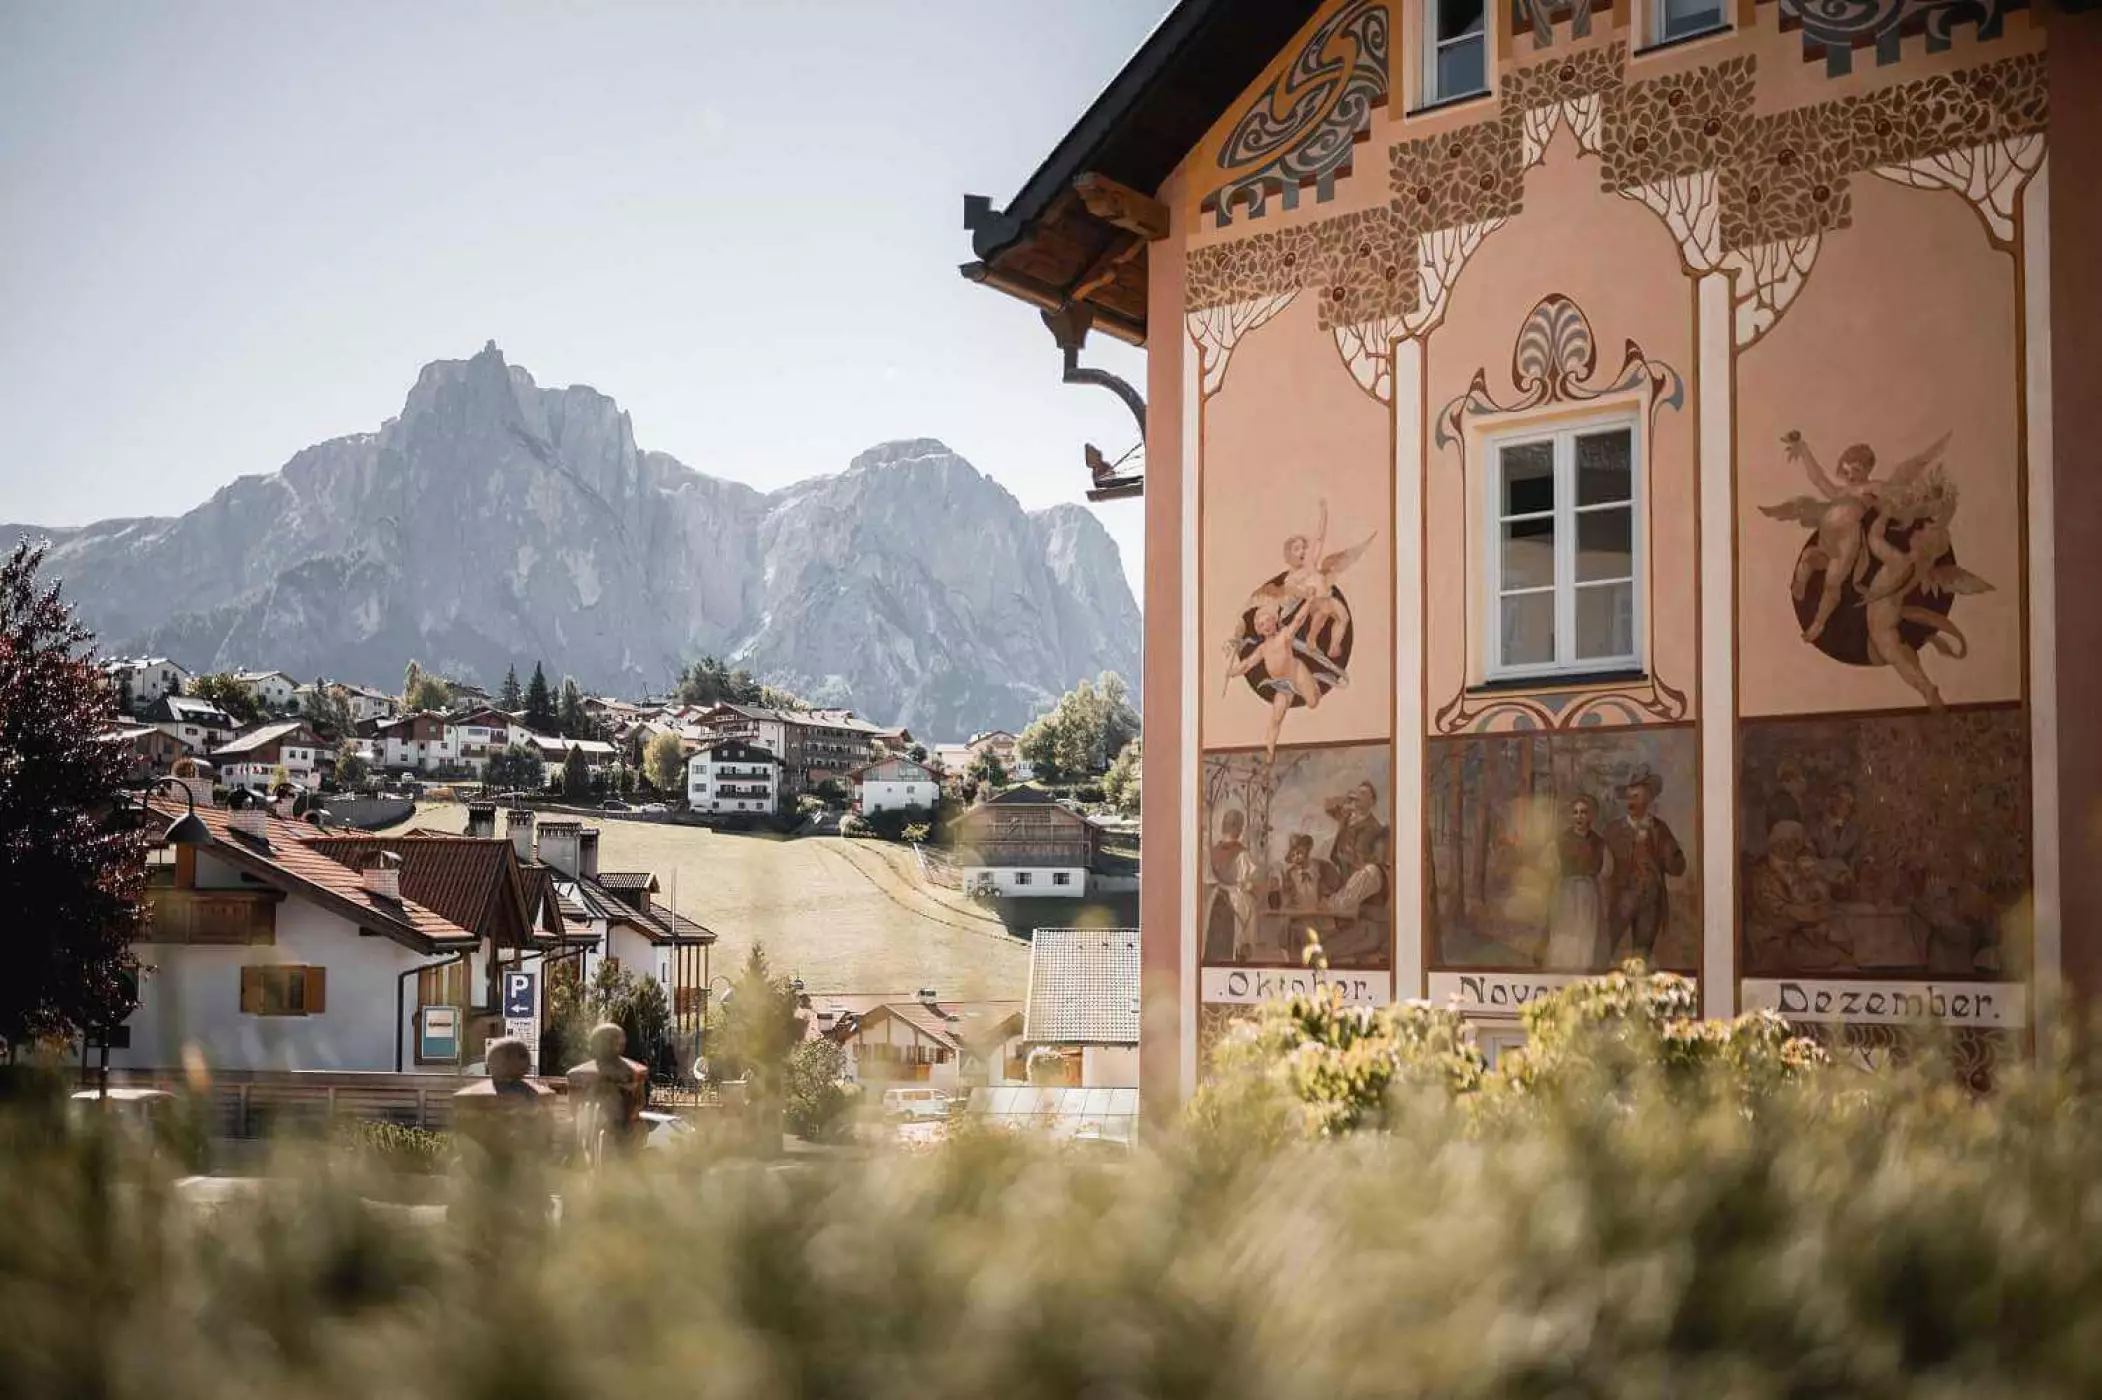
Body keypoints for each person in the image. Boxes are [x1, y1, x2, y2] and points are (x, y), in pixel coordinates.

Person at [1600, 766, 1686, 964]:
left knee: (1641, 956)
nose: (1631, 802)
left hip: (1650, 900)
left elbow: (1678, 868)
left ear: (1648, 800)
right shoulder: (1613, 830)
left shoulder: (1659, 829)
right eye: (1629, 798)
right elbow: (1602, 867)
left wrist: (1665, 849)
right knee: (1605, 948)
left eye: (1636, 797)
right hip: (1621, 898)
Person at [565, 1021, 648, 1161]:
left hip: (622, 1130)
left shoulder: (632, 1074)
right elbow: (574, 1106)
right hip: (591, 1127)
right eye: (609, 1041)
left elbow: (639, 1102)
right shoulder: (579, 1077)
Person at [1543, 794, 1606, 971]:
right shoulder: (1561, 841)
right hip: (1566, 892)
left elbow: (1608, 869)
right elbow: (1548, 865)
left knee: (1585, 933)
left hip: (1588, 893)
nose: (1579, 817)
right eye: (1576, 812)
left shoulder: (1599, 843)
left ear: (1590, 816)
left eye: (1584, 812)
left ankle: (1581, 971)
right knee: (1564, 932)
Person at [1203, 809, 1260, 962]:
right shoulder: (1242, 854)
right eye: (1240, 827)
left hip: (1216, 899)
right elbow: (1246, 883)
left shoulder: (1214, 851)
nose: (1241, 830)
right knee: (1240, 933)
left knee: (1216, 939)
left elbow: (1209, 880)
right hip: (1235, 901)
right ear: (1238, 828)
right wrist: (1253, 890)